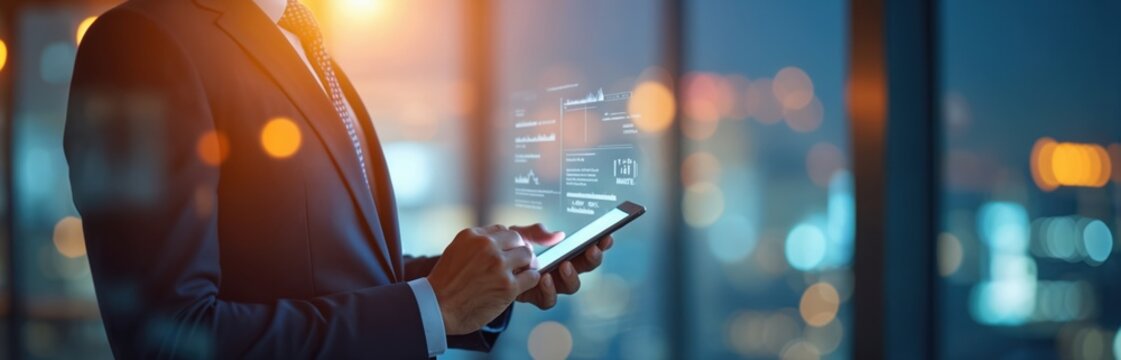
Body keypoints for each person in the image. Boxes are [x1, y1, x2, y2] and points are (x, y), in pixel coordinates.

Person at [63, 0, 611, 358]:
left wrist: (490, 278)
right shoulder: (141, 41)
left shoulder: (298, 37)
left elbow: (333, 270)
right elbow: (168, 336)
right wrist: (433, 307)